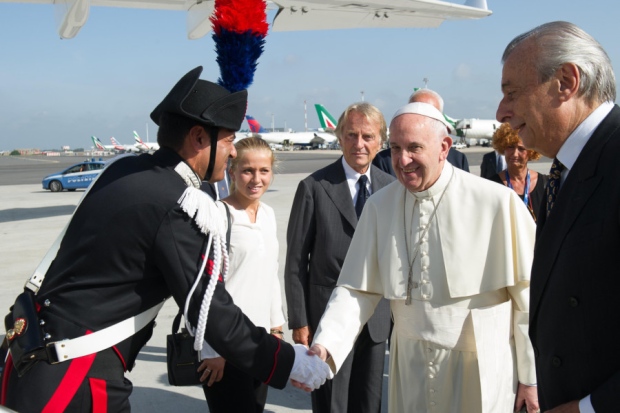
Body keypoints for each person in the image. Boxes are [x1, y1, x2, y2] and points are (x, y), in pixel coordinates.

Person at [0, 67, 330, 412]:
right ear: (200, 137)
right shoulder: (178, 205)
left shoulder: (126, 170)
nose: (233, 152)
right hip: (78, 379)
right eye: (230, 140)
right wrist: (289, 362)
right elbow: (211, 312)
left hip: (37, 358)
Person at [303, 102, 540, 413]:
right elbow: (355, 289)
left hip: (480, 365)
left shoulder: (497, 202)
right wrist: (326, 344)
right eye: (395, 147)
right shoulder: (379, 206)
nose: (402, 160)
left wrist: (531, 376)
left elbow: (528, 297)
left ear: (444, 147)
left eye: (414, 147)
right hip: (411, 364)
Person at [497, 21, 620, 412]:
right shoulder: (564, 171)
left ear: (566, 81)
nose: (502, 112)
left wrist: (589, 408)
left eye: (512, 93)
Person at [285, 102, 394, 413]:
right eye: (351, 135)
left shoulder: (391, 189)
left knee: (368, 402)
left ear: (380, 141)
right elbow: (295, 262)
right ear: (339, 137)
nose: (359, 144)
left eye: (368, 137)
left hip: (376, 320)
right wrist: (300, 319)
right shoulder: (314, 187)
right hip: (325, 319)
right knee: (331, 402)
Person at [198, 137, 285, 412]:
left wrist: (276, 327)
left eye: (264, 171)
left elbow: (271, 274)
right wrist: (213, 351)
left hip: (260, 343)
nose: (256, 179)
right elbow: (203, 287)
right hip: (226, 346)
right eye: (248, 170)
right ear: (232, 171)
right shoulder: (217, 215)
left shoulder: (268, 215)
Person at [372, 88, 470, 175]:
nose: (404, 161)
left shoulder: (458, 159)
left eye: (429, 113)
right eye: (415, 110)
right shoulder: (383, 161)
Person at [489, 122, 548, 221]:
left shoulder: (545, 184)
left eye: (521, 149)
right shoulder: (492, 185)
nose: (515, 154)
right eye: (510, 147)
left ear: (531, 152)